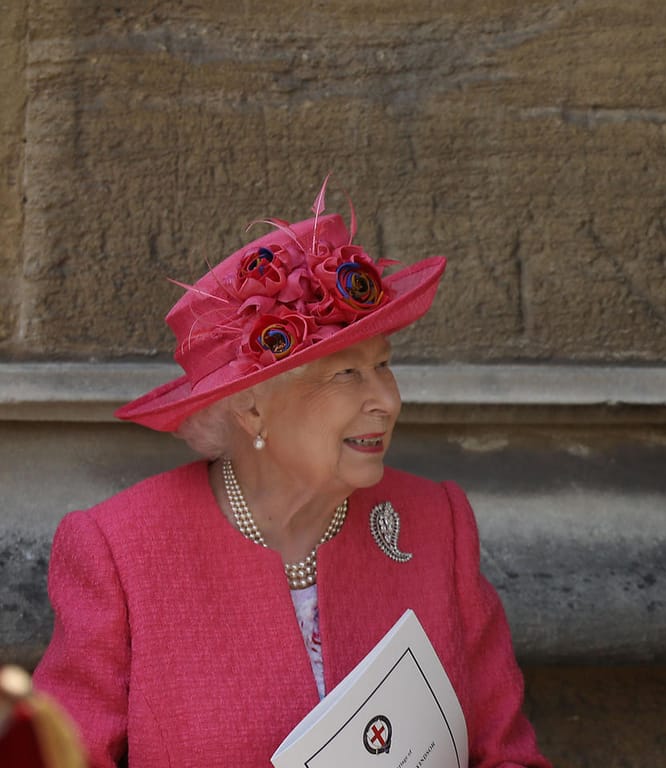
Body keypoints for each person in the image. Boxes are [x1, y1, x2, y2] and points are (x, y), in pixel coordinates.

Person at [34, 182, 552, 768]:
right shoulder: (120, 553)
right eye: (346, 375)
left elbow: (508, 756)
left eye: (383, 365)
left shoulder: (437, 523)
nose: (387, 400)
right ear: (252, 406)